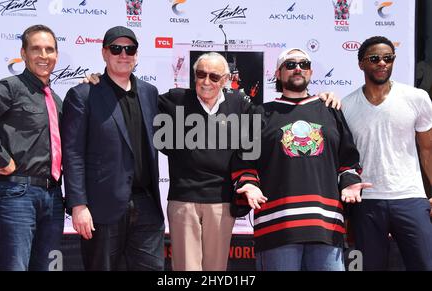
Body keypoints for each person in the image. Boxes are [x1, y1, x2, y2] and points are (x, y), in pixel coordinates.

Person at [85, 52, 341, 271]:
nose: (206, 82)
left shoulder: (240, 104)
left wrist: (322, 99)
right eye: (201, 74)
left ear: (227, 81)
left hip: (221, 202)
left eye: (214, 77)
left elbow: (281, 118)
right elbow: (132, 97)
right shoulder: (174, 100)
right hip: (183, 200)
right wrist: (101, 81)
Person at [230, 48, 371, 271]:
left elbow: (348, 160)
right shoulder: (259, 114)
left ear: (311, 71)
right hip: (277, 226)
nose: (297, 68)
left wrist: (350, 182)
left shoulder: (331, 110)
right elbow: (244, 162)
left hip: (325, 225)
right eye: (290, 64)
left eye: (303, 64)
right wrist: (248, 184)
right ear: (278, 73)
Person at [62, 26, 164, 271]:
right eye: (116, 48)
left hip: (147, 204)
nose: (123, 54)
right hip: (102, 208)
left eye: (130, 49)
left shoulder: (150, 93)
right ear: (104, 53)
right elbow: (73, 152)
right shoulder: (84, 94)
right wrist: (78, 205)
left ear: (137, 55)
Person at [342, 36, 432, 270]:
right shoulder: (346, 105)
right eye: (374, 58)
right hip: (366, 202)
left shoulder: (417, 98)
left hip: (410, 197)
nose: (382, 63)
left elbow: (427, 148)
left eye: (388, 58)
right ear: (361, 63)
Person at [0, 24, 64, 271]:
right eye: (36, 49)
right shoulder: (10, 88)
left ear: (56, 55)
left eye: (49, 49)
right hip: (18, 195)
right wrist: (2, 157)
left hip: (54, 199)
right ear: (24, 53)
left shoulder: (57, 100)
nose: (43, 55)